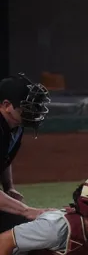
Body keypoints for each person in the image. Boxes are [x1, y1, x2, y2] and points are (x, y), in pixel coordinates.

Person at [0, 73, 53, 234]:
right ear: (6, 105)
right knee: (24, 225)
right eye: (27, 106)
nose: (34, 111)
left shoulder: (15, 126)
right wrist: (27, 210)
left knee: (25, 227)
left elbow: (4, 158)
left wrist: (8, 187)